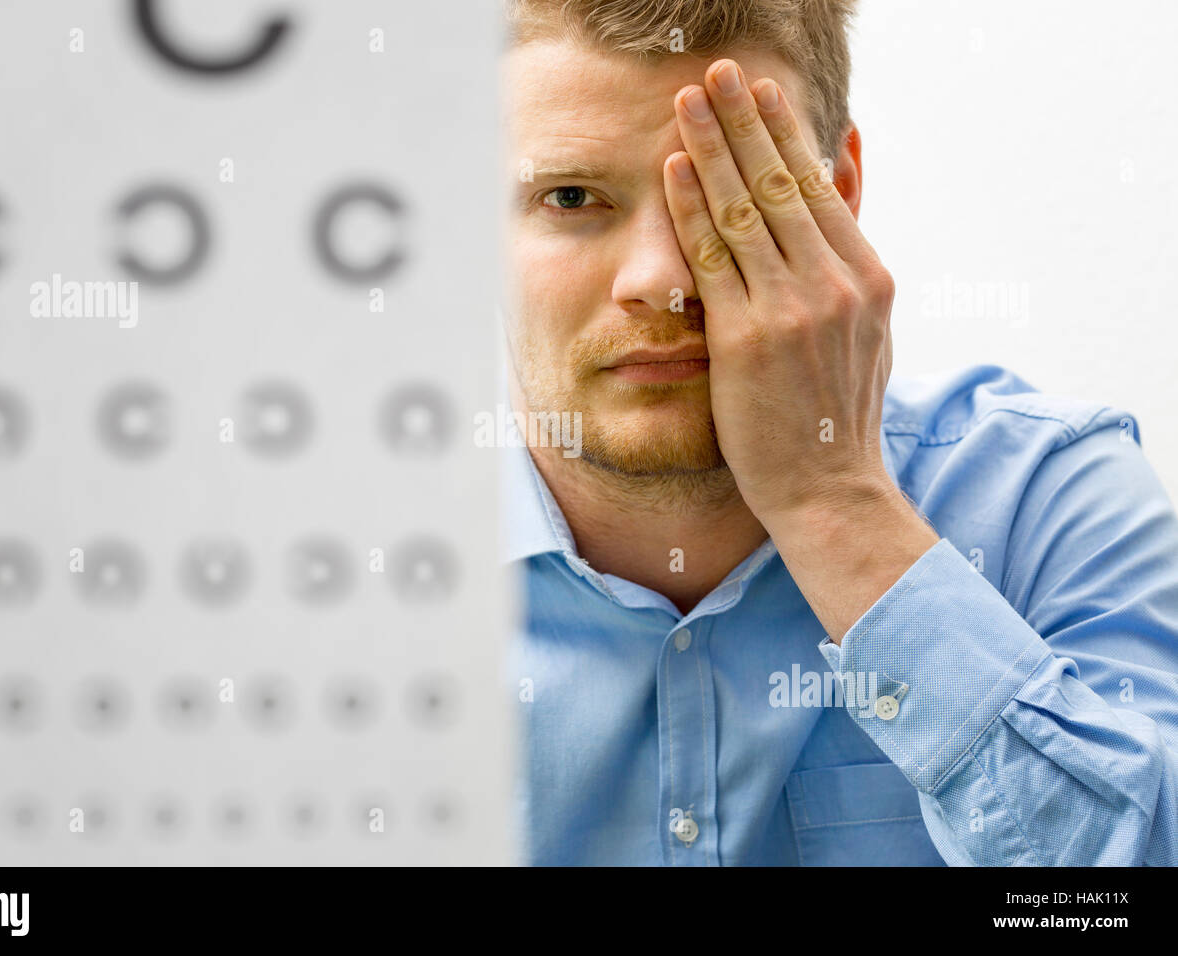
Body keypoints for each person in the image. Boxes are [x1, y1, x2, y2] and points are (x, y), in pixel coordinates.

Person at [498, 0, 1178, 865]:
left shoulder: (1050, 501)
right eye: (570, 197)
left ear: (841, 194)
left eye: (726, 194)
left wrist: (831, 499)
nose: (663, 279)